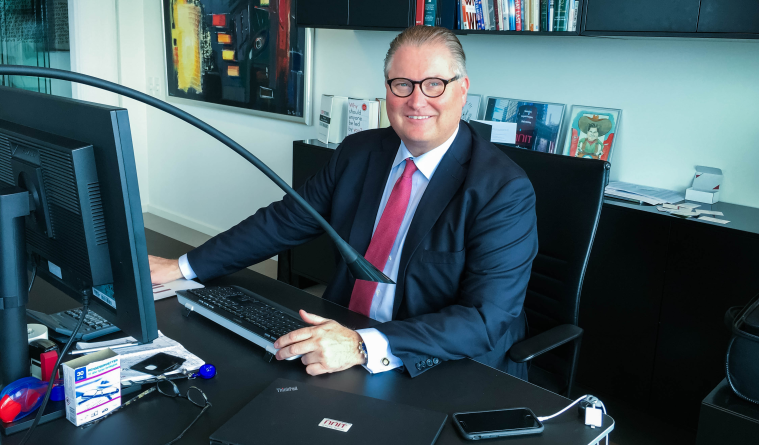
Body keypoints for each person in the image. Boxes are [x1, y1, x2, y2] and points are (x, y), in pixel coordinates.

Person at [149, 26, 538, 380]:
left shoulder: (503, 190)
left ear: (462, 89)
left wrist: (362, 345)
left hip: (440, 364)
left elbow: (484, 318)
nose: (417, 100)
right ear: (387, 90)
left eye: (434, 84)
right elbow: (284, 221)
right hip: (342, 332)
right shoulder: (358, 152)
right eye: (402, 84)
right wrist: (182, 266)